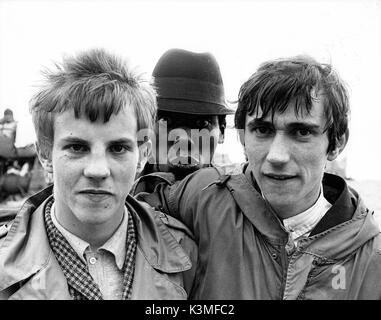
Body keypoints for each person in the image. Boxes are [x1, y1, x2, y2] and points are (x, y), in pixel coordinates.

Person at [135, 55, 381, 299]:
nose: (277, 156)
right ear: (242, 136)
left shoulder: (370, 258)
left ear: (337, 141)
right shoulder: (203, 197)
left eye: (301, 132)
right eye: (263, 130)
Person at [0, 48, 197, 300]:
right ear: (45, 154)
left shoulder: (186, 253)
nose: (98, 170)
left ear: (143, 154)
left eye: (118, 148)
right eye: (77, 147)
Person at [132, 49, 235, 199]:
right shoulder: (119, 197)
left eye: (202, 123)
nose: (183, 138)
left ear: (222, 131)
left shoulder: (236, 206)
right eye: (166, 121)